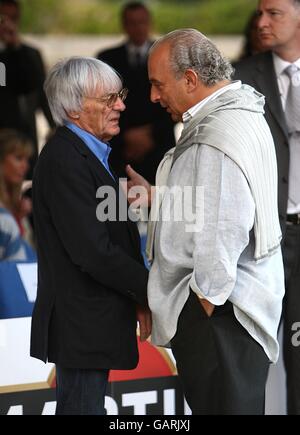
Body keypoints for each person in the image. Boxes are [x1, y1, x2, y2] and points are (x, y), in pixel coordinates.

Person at [125, 28, 285, 415]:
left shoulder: (217, 135)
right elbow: (216, 200)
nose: (153, 96)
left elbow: (224, 227)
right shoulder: (240, 112)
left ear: (191, 80)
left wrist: (203, 304)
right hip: (230, 312)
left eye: (158, 84)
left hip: (220, 314)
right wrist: (160, 195)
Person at [30, 56, 151, 415]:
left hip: (92, 323)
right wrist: (150, 288)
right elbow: (94, 252)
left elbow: (110, 238)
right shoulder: (66, 159)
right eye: (109, 98)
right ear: (74, 108)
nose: (121, 105)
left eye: (120, 95)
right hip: (81, 325)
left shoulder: (88, 154)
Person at [234, 0, 300, 415]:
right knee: (247, 355)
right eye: (260, 12)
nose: (261, 22)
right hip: (263, 237)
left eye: (273, 12)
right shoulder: (240, 79)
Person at [97, 1, 175, 184]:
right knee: (118, 207)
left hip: (159, 147)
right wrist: (126, 135)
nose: (138, 27)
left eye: (142, 22)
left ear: (150, 23)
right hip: (120, 149)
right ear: (124, 25)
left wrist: (150, 133)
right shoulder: (107, 58)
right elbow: (102, 102)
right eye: (132, 22)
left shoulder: (168, 56)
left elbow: (176, 99)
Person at [0, 0, 55, 177]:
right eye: (3, 19)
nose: (8, 24)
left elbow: (36, 88)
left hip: (22, 136)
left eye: (13, 18)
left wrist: (15, 47)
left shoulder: (28, 53)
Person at [0, 129, 34, 260]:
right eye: (18, 158)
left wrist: (18, 218)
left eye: (27, 159)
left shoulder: (17, 203)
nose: (25, 166)